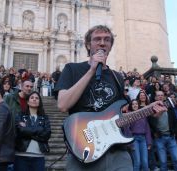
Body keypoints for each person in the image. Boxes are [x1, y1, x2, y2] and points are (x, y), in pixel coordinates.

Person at [55, 25, 167, 171]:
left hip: (117, 154)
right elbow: (63, 105)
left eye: (107, 40)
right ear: (88, 45)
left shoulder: (117, 77)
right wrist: (91, 70)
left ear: (110, 46)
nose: (102, 42)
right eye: (97, 39)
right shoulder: (72, 69)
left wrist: (149, 110)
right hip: (83, 152)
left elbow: (121, 117)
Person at [14, 91, 51, 171]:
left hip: (39, 157)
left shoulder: (45, 118)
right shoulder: (20, 115)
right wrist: (39, 130)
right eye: (32, 98)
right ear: (27, 101)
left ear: (39, 102)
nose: (34, 99)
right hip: (21, 155)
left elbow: (46, 134)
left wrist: (27, 130)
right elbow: (20, 131)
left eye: (37, 98)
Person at [148, 91, 177, 171]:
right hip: (159, 138)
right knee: (163, 162)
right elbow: (149, 123)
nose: (160, 97)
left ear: (164, 97)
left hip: (171, 137)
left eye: (162, 95)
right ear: (155, 97)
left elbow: (175, 122)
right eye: (158, 95)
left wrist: (174, 132)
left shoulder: (169, 108)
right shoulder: (152, 109)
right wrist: (154, 133)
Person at [127, 99, 152, 171]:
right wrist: (130, 144)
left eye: (136, 104)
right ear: (131, 106)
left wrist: (149, 142)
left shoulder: (143, 114)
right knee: (137, 162)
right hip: (134, 140)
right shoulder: (129, 115)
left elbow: (147, 129)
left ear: (138, 105)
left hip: (143, 139)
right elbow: (127, 130)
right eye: (133, 104)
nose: (135, 105)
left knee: (145, 162)